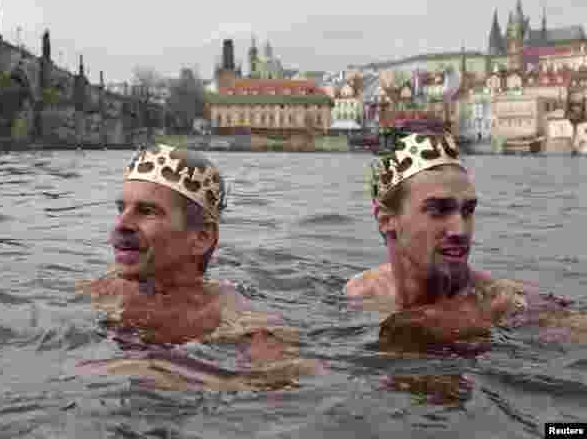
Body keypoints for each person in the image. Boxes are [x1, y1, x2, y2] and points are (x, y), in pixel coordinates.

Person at [77, 144, 316, 390]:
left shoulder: (233, 315)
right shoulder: (102, 290)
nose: (120, 224)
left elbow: (283, 383)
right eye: (121, 209)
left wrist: (157, 369)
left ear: (201, 237)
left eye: (147, 211)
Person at [346, 130, 584, 348]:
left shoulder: (503, 302)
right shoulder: (362, 291)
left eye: (468, 210)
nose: (460, 230)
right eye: (438, 210)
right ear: (387, 220)